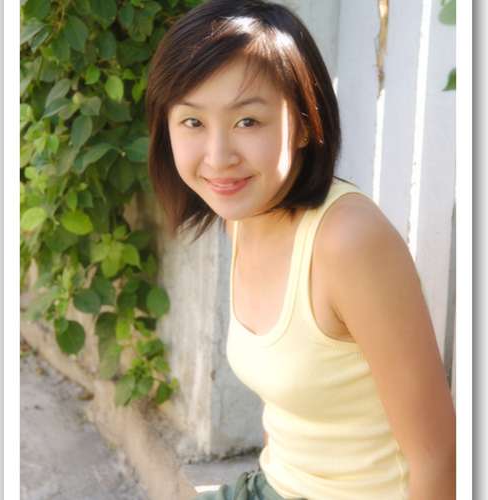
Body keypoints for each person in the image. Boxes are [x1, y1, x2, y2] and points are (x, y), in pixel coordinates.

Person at [145, 1, 456, 498]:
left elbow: (440, 458)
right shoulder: (243, 217)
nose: (218, 157)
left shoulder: (348, 242)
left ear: (307, 124)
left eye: (248, 121)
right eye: (193, 122)